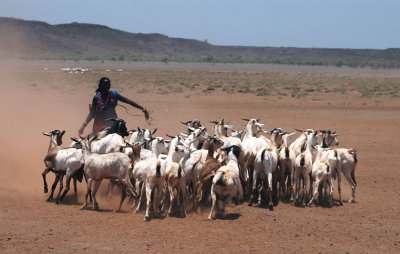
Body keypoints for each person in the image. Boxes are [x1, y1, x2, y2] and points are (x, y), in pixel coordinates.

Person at [78, 77, 149, 136]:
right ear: (100, 86)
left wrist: (142, 109)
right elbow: (91, 113)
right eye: (105, 85)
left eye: (108, 85)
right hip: (99, 124)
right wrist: (83, 126)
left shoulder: (114, 95)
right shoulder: (96, 98)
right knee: (93, 140)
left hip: (113, 123)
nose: (107, 87)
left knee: (123, 132)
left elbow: (129, 101)